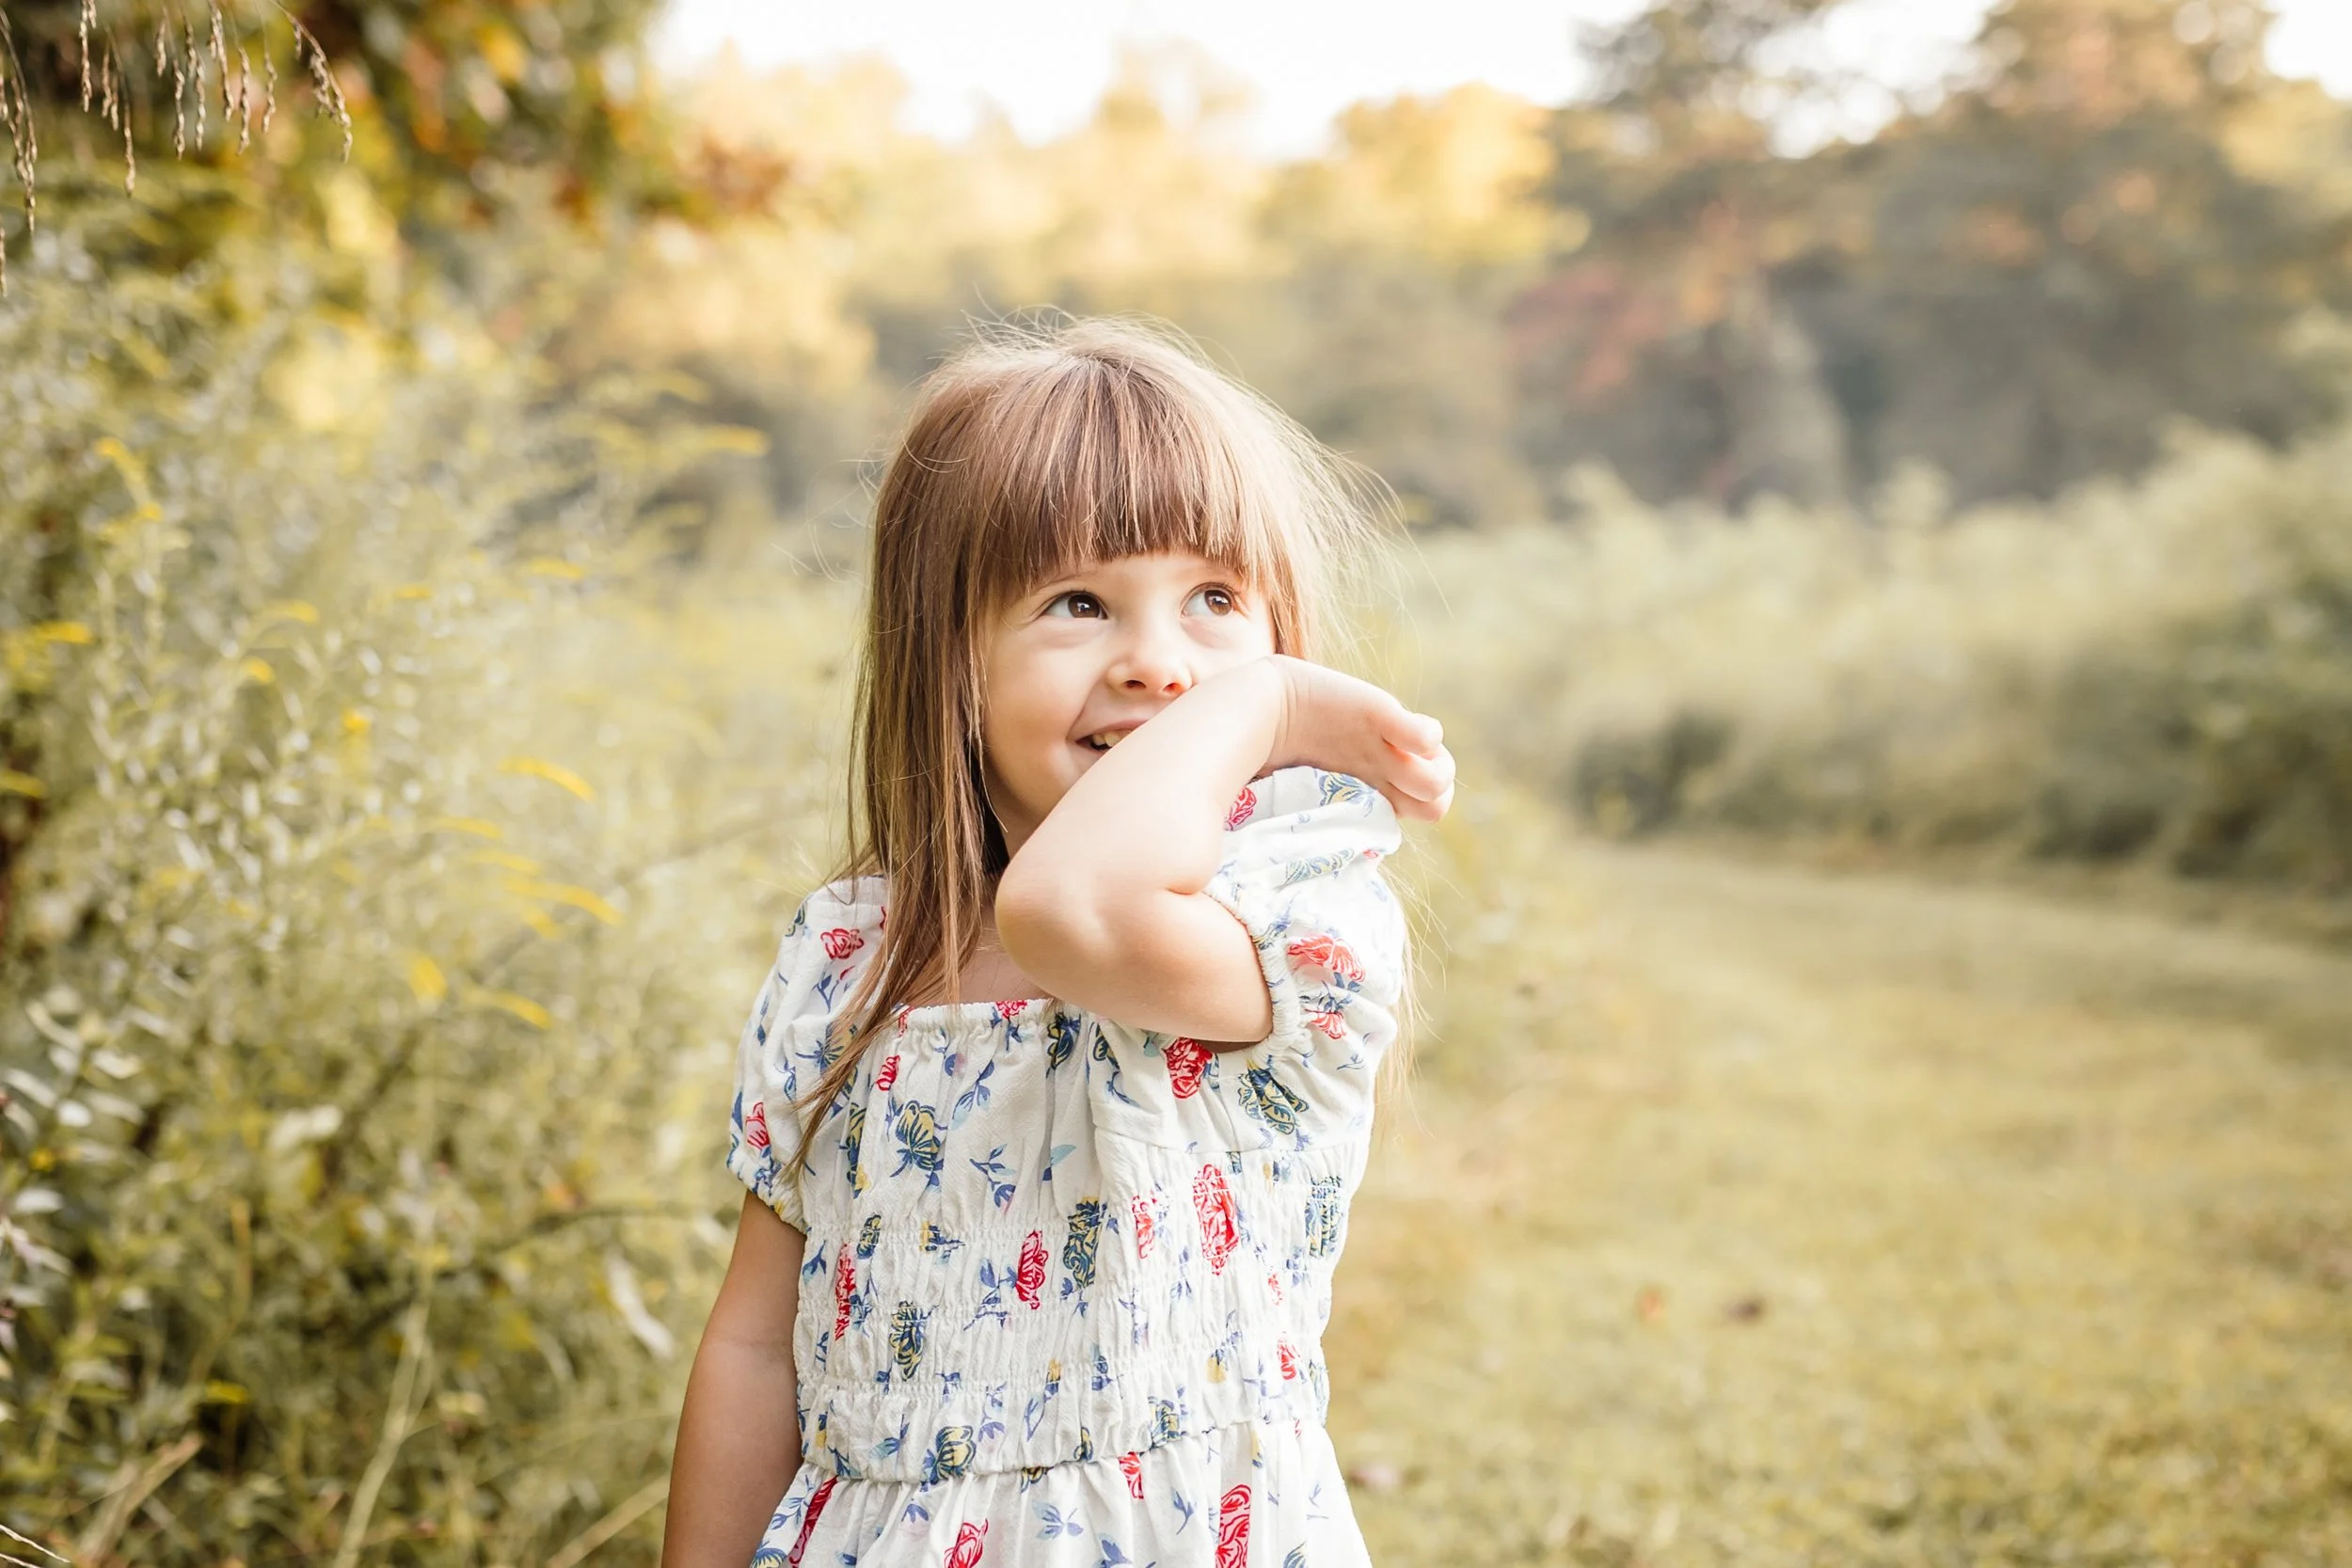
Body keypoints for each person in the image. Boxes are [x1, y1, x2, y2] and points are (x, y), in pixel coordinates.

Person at [660, 317, 1455, 1568]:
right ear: (951, 660)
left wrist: (1270, 703)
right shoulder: (849, 956)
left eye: (1215, 601)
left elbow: (1075, 910)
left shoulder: (1295, 918)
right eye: (1078, 603)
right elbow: (757, 1346)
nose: (1159, 666)